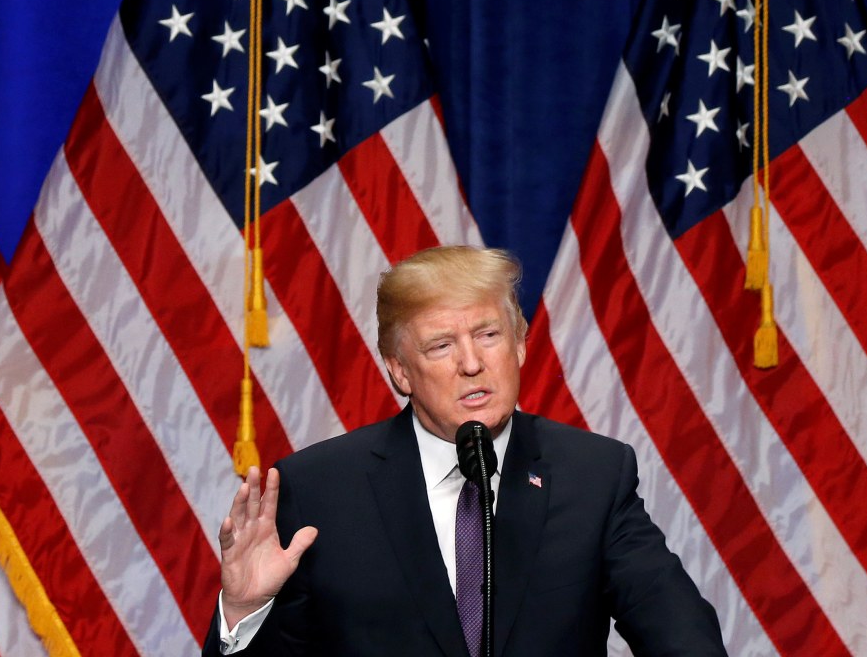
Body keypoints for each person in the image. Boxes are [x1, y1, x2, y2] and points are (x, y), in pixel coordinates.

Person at [205, 245, 727, 656]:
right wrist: (244, 609)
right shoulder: (320, 488)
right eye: (441, 345)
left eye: (489, 334)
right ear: (400, 370)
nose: (472, 362)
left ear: (520, 343)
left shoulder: (592, 474)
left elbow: (678, 631)